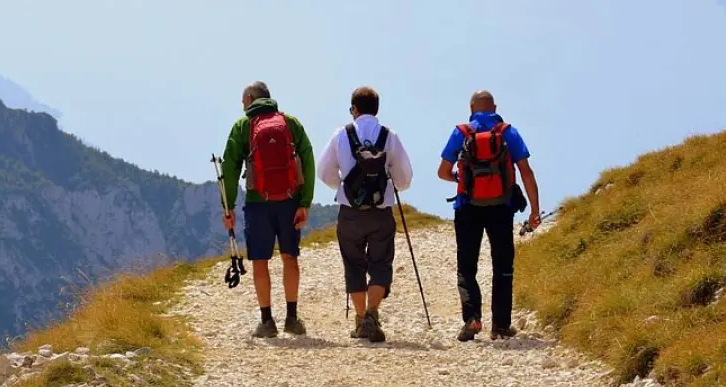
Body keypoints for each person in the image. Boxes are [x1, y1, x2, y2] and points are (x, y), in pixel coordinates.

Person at [437, 90, 541, 341]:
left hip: (467, 207)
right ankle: (501, 325)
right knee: (503, 266)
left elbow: (442, 171)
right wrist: (535, 211)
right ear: (495, 106)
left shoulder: (461, 132)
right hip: (501, 207)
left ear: (471, 108)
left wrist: (459, 178)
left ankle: (472, 319)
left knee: (467, 267)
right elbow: (526, 172)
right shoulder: (508, 132)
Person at [316, 86, 413, 342]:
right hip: (380, 211)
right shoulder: (389, 136)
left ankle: (361, 320)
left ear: (354, 109)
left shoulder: (341, 135)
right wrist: (392, 186)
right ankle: (372, 314)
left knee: (353, 264)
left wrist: (342, 187)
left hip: (350, 211)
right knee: (381, 263)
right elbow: (405, 177)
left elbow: (324, 172)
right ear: (377, 109)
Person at [221, 81, 316, 338]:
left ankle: (266, 321)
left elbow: (229, 169)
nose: (243, 107)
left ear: (250, 98)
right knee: (289, 257)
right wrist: (304, 202)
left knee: (260, 261)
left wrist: (228, 206)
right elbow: (307, 159)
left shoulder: (243, 126)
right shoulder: (290, 123)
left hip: (257, 203)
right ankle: (292, 318)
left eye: (243, 103)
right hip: (288, 200)